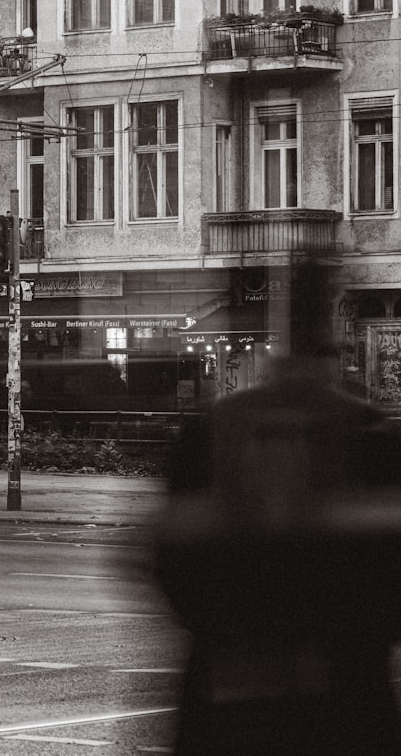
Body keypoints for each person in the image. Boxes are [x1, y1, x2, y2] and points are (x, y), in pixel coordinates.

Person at [155, 260, 401, 755]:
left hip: (225, 695)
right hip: (346, 696)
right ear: (338, 342)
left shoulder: (213, 429)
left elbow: (165, 563)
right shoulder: (370, 433)